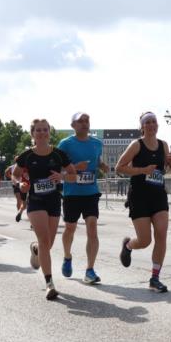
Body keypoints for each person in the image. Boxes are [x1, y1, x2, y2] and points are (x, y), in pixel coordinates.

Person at [14, 118, 83, 299]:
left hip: (53, 201)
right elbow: (14, 174)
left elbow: (74, 175)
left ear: (49, 132)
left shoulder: (58, 155)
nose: (42, 133)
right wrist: (20, 184)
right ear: (33, 133)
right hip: (35, 201)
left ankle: (36, 249)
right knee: (45, 241)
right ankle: (49, 283)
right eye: (38, 130)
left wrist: (62, 176)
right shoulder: (27, 155)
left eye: (45, 129)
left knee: (48, 244)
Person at [116, 111, 171, 292]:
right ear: (142, 127)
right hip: (139, 196)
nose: (151, 125)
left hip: (158, 195)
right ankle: (128, 245)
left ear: (157, 125)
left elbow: (166, 171)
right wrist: (142, 170)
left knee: (161, 234)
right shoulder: (136, 145)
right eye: (147, 122)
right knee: (144, 241)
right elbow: (119, 167)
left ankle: (155, 278)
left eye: (154, 122)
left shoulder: (163, 145)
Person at [57, 112, 108, 284]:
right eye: (80, 121)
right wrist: (74, 168)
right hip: (72, 193)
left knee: (92, 228)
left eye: (87, 121)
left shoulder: (97, 143)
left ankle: (90, 270)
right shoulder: (65, 144)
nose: (85, 124)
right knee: (70, 228)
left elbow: (96, 160)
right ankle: (67, 256)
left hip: (91, 192)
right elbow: (57, 168)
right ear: (73, 125)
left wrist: (102, 166)